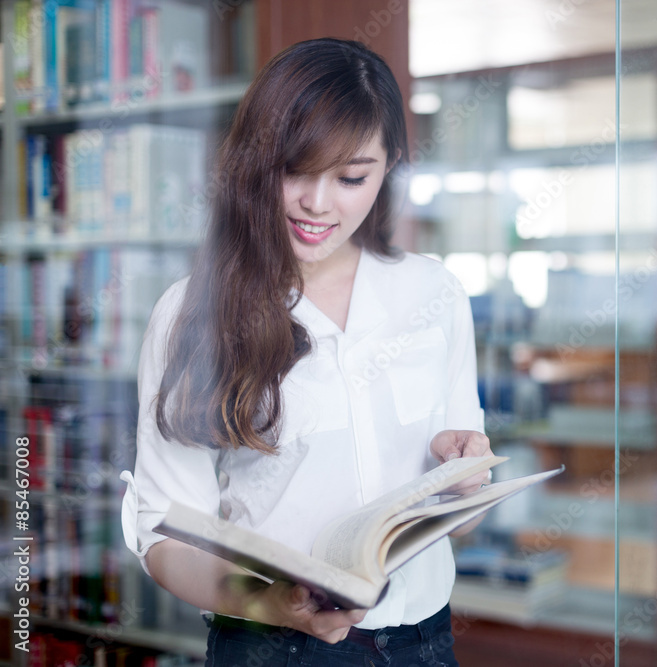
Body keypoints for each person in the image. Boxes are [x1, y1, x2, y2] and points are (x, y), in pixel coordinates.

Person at [120, 38, 491, 666]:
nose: (319, 204)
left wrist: (466, 488)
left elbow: (465, 522)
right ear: (256, 161)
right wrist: (269, 603)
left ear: (389, 166)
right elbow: (164, 534)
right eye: (295, 170)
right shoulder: (193, 314)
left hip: (426, 643)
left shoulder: (434, 294)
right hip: (271, 646)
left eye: (351, 177)